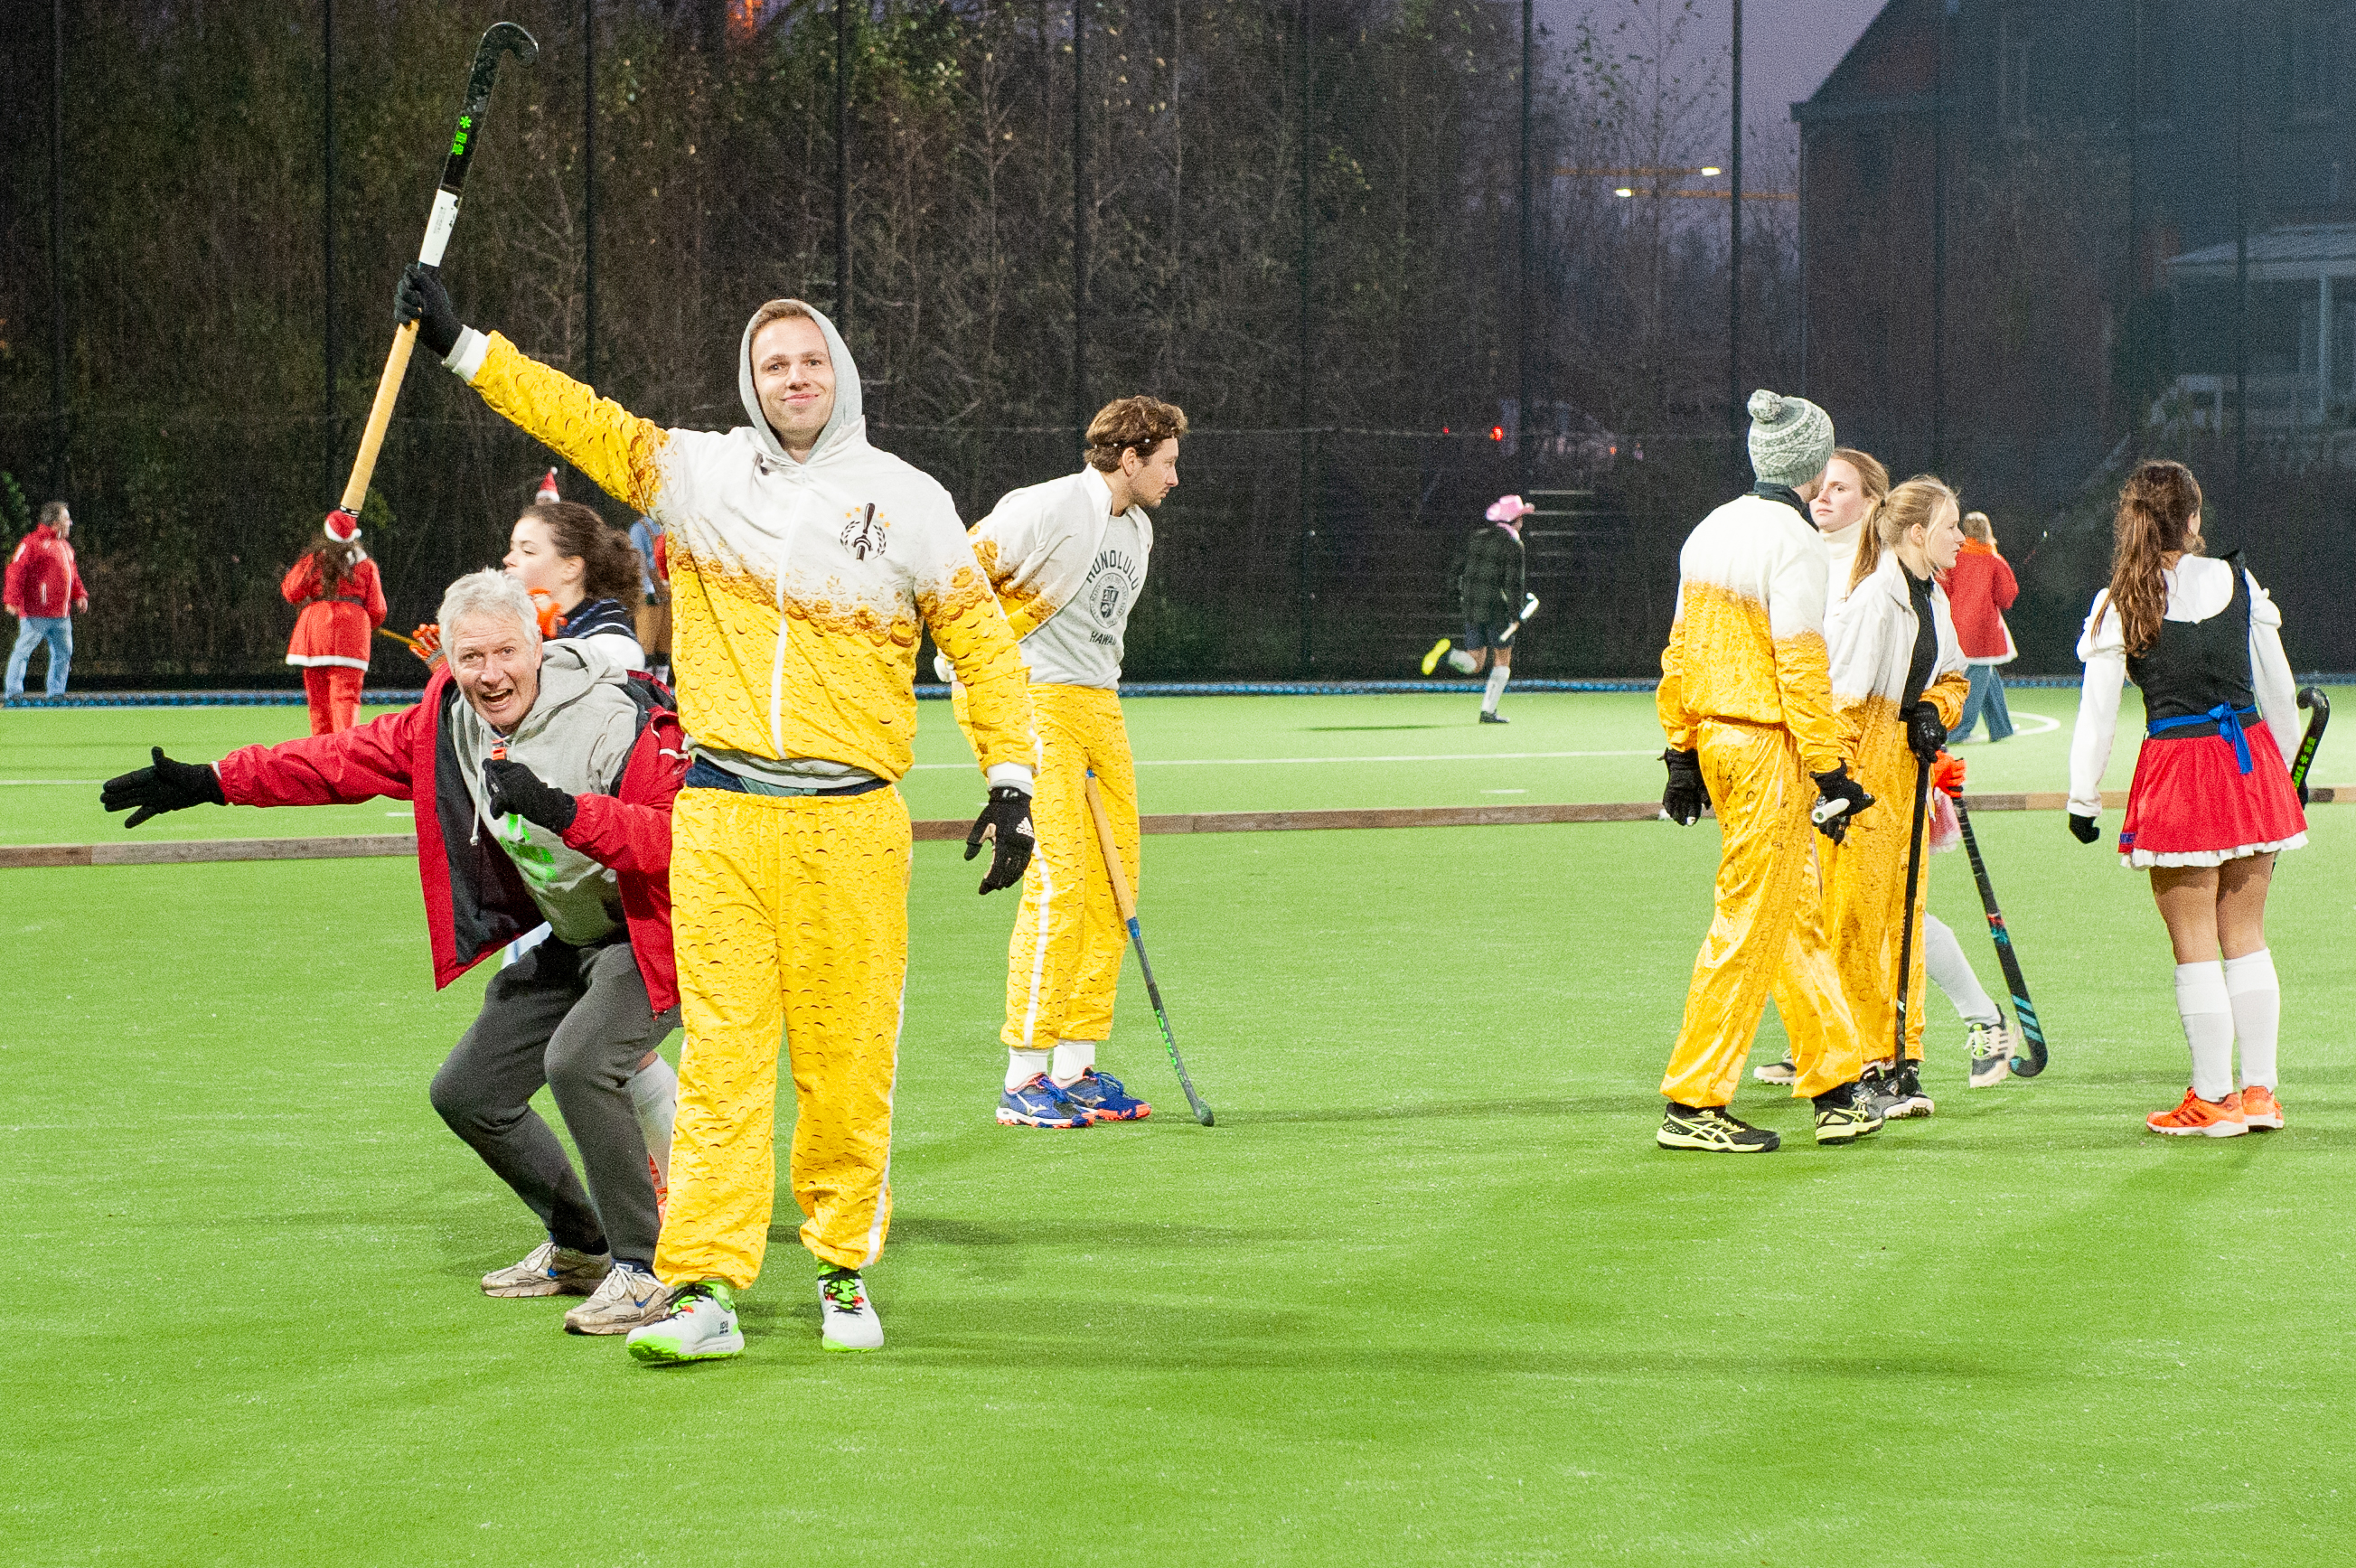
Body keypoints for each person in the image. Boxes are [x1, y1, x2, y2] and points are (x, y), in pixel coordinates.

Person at [395, 264, 1039, 1363]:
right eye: (773, 363)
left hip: (853, 822)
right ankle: (703, 1290)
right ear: (751, 380)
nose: (794, 377)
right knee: (725, 1067)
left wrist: (1012, 779)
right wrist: (464, 348)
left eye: (810, 359)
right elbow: (578, 418)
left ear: (840, 372)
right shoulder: (698, 473)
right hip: (725, 816)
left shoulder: (910, 499)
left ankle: (842, 1270)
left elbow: (980, 643)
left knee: (846, 1059)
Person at [99, 570, 688, 1335]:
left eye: (505, 652)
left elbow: (676, 842)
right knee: (469, 1092)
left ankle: (644, 1271)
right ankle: (582, 1245)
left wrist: (563, 810)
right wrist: (211, 781)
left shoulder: (618, 715)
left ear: (537, 646)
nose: (489, 673)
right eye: (469, 656)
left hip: (656, 934)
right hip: (573, 937)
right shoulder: (449, 719)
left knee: (578, 1061)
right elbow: (338, 759)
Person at [939, 395, 1185, 1130]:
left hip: (1097, 703)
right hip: (1032, 696)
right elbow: (954, 573)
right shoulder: (1046, 507)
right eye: (1167, 462)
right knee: (1059, 878)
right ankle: (1023, 1075)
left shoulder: (1138, 529)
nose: (1174, 477)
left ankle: (1075, 1065)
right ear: (1130, 457)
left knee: (1114, 879)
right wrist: (974, 667)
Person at [1654, 390, 1882, 1152]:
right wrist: (1831, 769)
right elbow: (1799, 665)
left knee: (1791, 913)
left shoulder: (1710, 528)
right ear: (1813, 465)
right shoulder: (1796, 543)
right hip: (1766, 750)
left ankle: (1836, 1086)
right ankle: (1692, 1101)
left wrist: (1680, 749)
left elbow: (1680, 650)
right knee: (1751, 919)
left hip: (1717, 742)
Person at [2067, 460, 2304, 1137]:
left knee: (2195, 942)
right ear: (2194, 519)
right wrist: (2286, 777)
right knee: (2246, 936)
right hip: (2250, 766)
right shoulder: (2240, 581)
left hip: (2177, 771)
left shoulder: (2121, 598)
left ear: (2131, 521)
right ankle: (2258, 1095)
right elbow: (2278, 690)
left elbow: (2097, 716)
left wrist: (2083, 798)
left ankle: (2213, 1099)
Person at [1824, 477, 1972, 1120]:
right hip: (1864, 778)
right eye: (1950, 526)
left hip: (1908, 775)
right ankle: (1852, 1064)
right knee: (1854, 924)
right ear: (1916, 533)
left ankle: (1898, 1060)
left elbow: (1955, 675)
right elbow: (1841, 706)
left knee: (1903, 919)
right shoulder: (1872, 603)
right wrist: (1834, 788)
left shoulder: (1932, 598)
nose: (1960, 538)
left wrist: (1935, 710)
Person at [1420, 494, 1535, 722]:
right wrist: (1516, 615)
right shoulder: (1514, 545)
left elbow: (1455, 569)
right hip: (1496, 608)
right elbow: (1514, 584)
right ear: (1516, 520)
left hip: (1471, 605)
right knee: (1502, 658)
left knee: (1475, 663)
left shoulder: (1476, 537)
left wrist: (1456, 596)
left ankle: (1448, 655)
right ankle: (1488, 712)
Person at [502, 499, 648, 671]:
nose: (508, 559)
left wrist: (553, 637)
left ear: (570, 568)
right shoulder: (513, 620)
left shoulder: (613, 646)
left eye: (528, 551)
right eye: (512, 548)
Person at [280, 510, 388, 735]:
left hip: (316, 633)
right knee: (347, 700)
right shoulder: (367, 566)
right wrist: (369, 625)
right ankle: (346, 752)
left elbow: (291, 591)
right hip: (351, 635)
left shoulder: (315, 560)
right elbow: (377, 610)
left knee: (318, 705)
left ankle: (321, 754)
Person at [1947, 511, 2019, 743]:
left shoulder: (1954, 557)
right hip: (1983, 630)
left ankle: (2001, 727)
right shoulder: (1994, 560)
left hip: (1955, 626)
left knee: (1987, 674)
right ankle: (1959, 731)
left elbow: (1943, 586)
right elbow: (2006, 596)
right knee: (1977, 677)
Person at [5, 501, 89, 699]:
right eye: (66, 519)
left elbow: (72, 575)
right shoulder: (32, 543)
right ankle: (13, 693)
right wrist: (12, 599)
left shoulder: (65, 547)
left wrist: (80, 594)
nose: (70, 523)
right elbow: (16, 570)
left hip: (61, 615)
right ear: (55, 523)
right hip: (36, 613)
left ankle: (56, 692)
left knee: (64, 654)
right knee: (23, 651)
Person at [628, 512, 671, 683]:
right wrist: (650, 590)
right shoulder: (639, 529)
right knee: (647, 645)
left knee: (665, 645)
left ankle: (662, 685)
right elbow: (639, 564)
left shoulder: (670, 527)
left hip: (668, 593)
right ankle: (646, 685)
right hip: (649, 595)